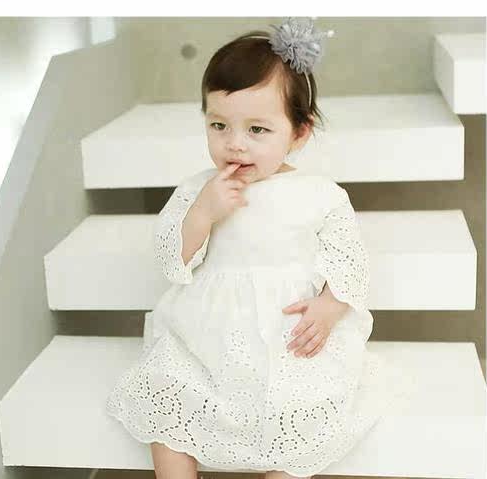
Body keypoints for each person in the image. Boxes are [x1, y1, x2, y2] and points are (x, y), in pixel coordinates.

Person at [106, 18, 408, 479]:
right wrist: (203, 214)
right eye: (219, 125)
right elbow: (173, 260)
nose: (235, 144)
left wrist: (329, 306)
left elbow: (349, 260)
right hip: (205, 340)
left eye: (257, 130)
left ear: (299, 133)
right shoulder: (198, 190)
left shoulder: (320, 195)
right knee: (167, 397)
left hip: (286, 339)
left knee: (299, 415)